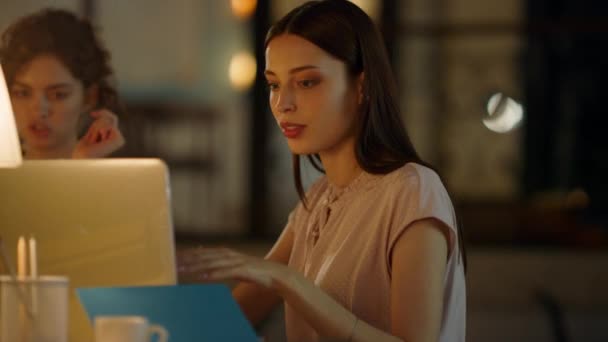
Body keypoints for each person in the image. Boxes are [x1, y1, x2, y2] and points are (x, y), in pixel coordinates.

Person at [179, 1, 466, 341]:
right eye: (273, 85)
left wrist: (289, 281)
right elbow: (230, 316)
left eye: (307, 82)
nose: (283, 103)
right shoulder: (316, 201)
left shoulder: (413, 190)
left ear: (361, 86)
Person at [0, 8, 124, 159]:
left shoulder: (113, 178)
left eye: (58, 95)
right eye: (22, 93)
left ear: (89, 97)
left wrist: (83, 165)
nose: (39, 110)